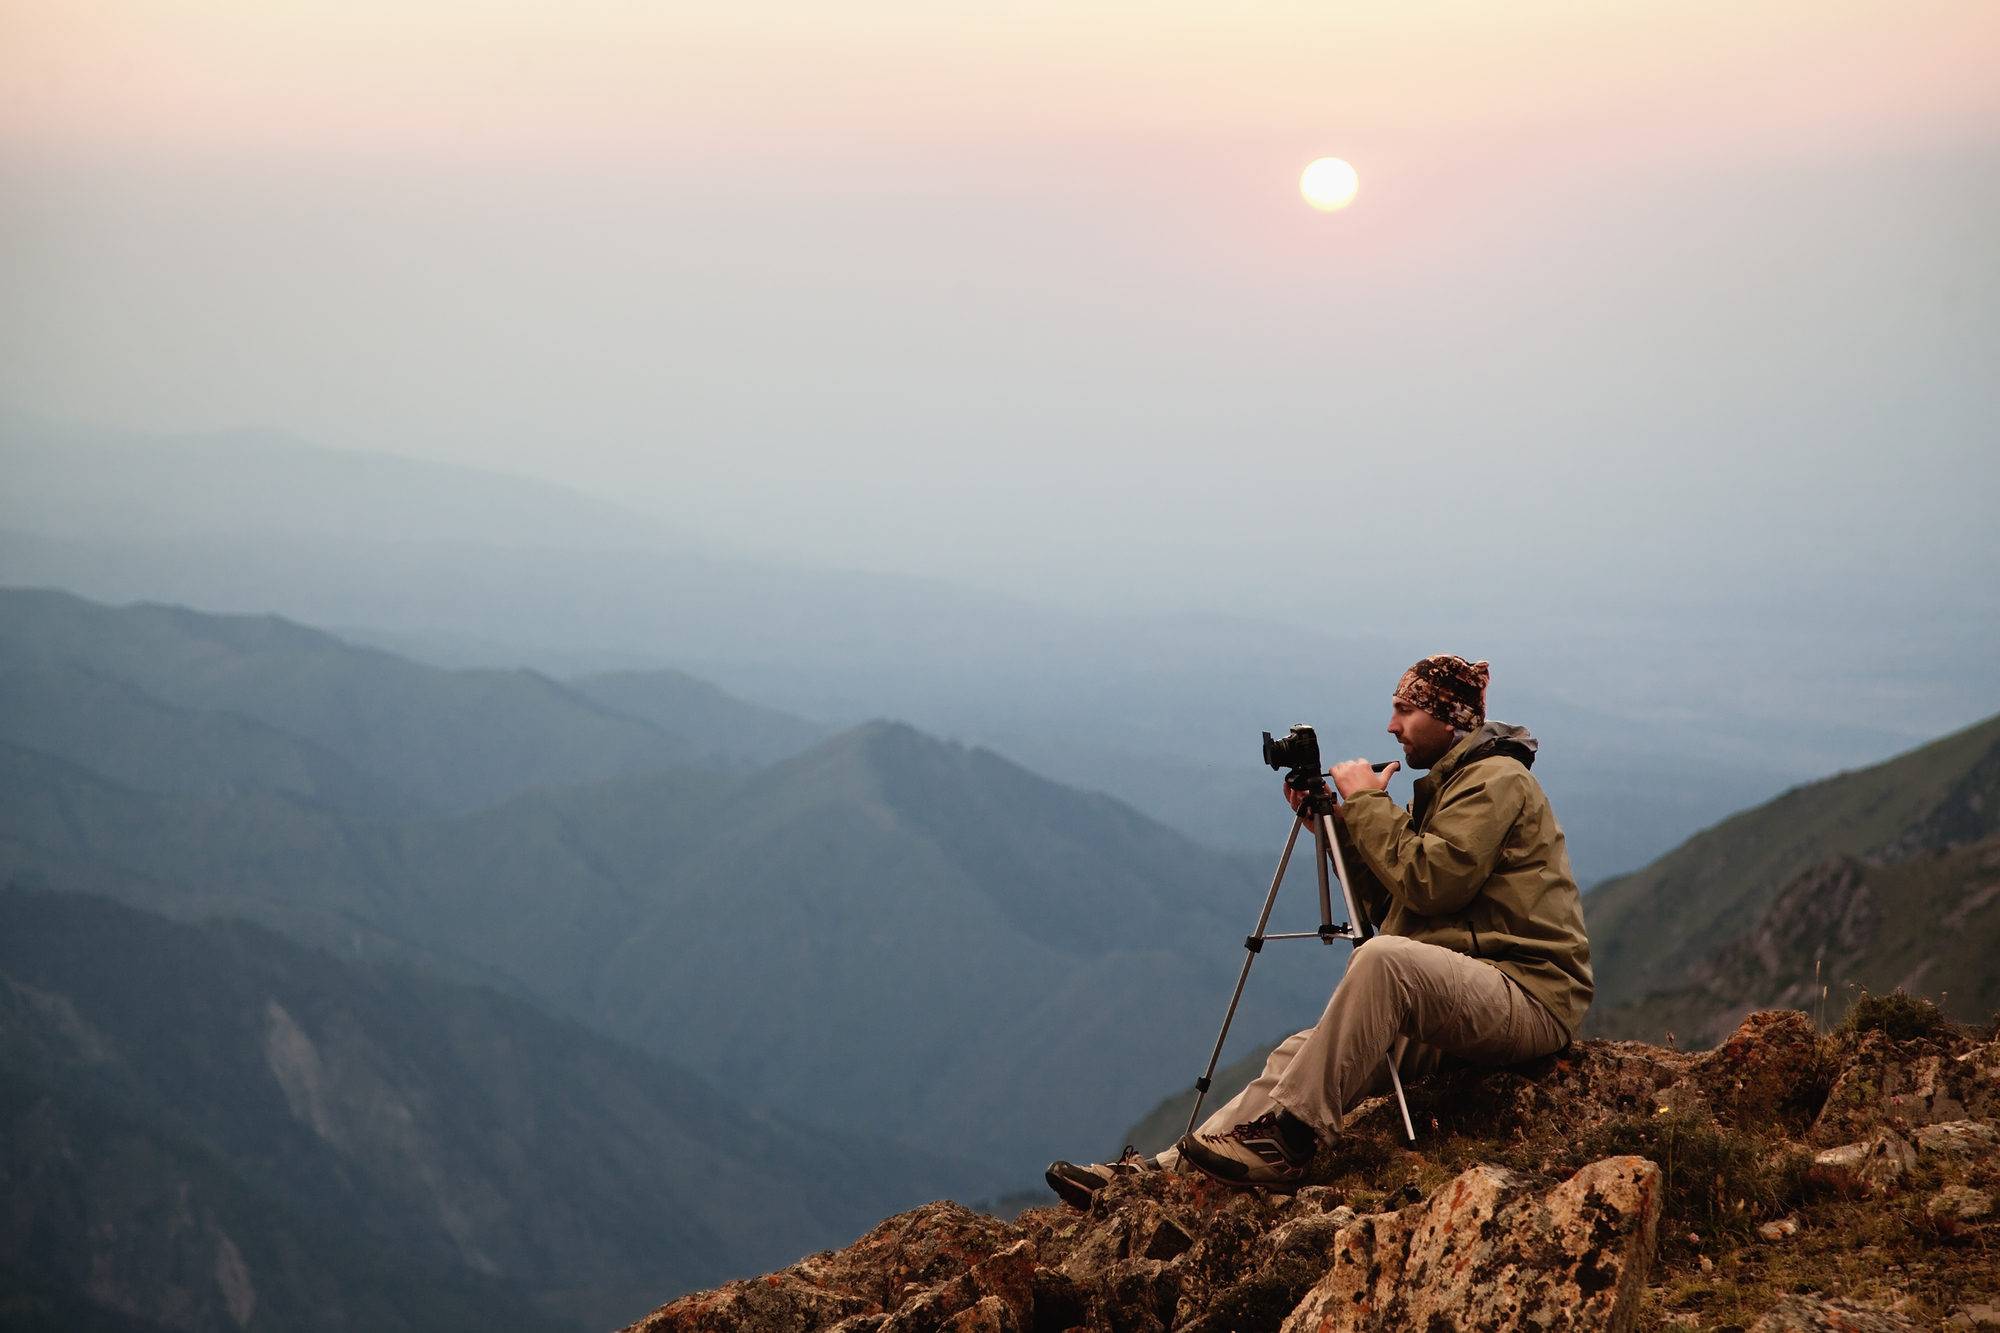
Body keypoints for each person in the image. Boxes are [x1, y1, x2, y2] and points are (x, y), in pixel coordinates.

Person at [1045, 654, 1591, 1206]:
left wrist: (1368, 802)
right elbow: (1397, 904)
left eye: (1405, 710)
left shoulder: (1495, 780)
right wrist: (1333, 831)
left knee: (1382, 960)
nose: (1392, 726)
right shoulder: (1451, 786)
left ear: (1451, 719)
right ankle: (1157, 1178)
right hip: (1473, 991)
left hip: (1527, 995)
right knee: (1299, 1053)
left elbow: (1432, 883)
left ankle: (1291, 1142)